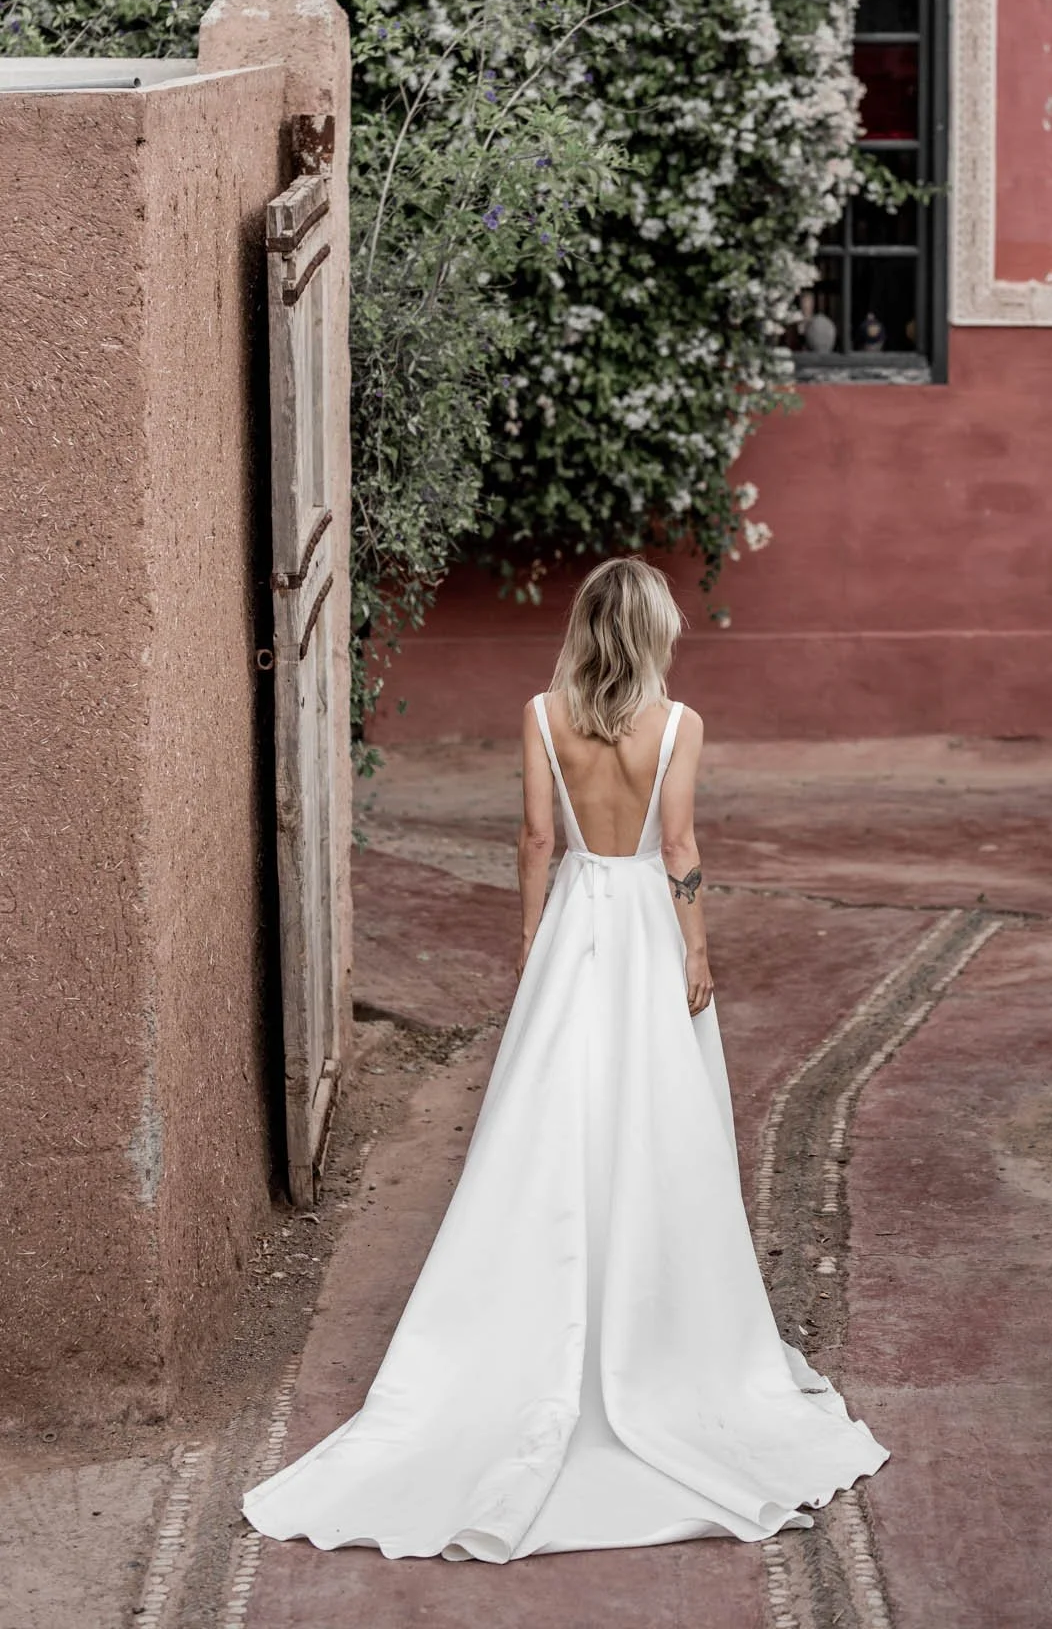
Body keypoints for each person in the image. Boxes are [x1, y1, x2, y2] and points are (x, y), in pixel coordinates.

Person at [242, 556, 888, 1563]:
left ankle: (518, 1325)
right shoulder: (679, 726)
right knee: (658, 1121)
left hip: (574, 928)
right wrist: (699, 950)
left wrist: (533, 940)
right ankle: (663, 1321)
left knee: (543, 1123)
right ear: (654, 631)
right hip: (645, 931)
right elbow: (677, 847)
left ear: (588, 627)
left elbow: (536, 836)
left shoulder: (542, 713)